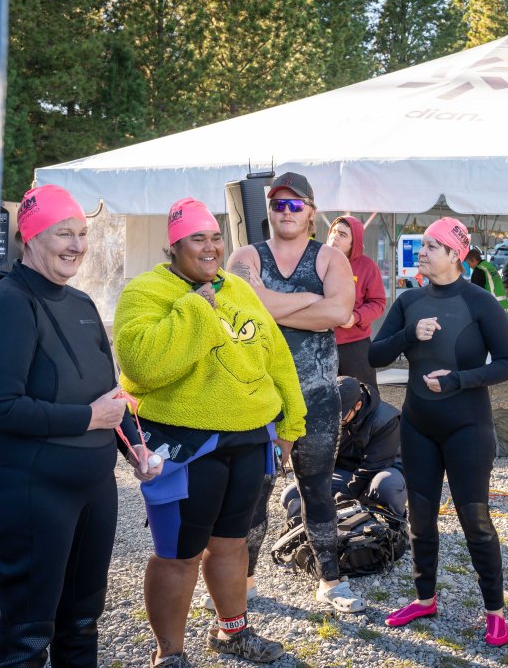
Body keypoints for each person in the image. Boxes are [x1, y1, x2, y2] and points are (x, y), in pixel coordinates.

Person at [114, 198, 307, 667]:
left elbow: (276, 355)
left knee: (232, 543)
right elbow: (143, 367)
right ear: (174, 246)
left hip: (246, 438)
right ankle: (170, 654)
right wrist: (197, 310)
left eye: (216, 237)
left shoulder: (238, 290)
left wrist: (290, 422)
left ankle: (231, 631)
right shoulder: (146, 292)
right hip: (185, 444)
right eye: (198, 239)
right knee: (177, 554)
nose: (210, 247)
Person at [0, 185, 162, 667]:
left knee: (83, 623)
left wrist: (138, 451)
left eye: (83, 234)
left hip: (93, 490)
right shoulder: (11, 301)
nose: (78, 245)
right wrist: (88, 418)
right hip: (33, 492)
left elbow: (112, 397)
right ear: (30, 236)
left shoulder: (83, 303)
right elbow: (1, 407)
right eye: (63, 233)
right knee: (28, 633)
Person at [369, 217, 508, 646]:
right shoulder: (410, 300)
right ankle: (424, 597)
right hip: (418, 424)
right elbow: (376, 354)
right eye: (423, 244)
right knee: (419, 518)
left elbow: (507, 363)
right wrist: (407, 334)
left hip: (467, 425)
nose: (423, 251)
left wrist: (457, 380)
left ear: (455, 254)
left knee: (476, 521)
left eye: (433, 245)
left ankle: (494, 611)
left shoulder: (480, 301)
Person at [226, 171, 364, 613]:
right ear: (268, 210)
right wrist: (310, 299)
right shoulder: (246, 256)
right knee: (253, 493)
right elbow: (242, 306)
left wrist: (271, 303)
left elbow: (342, 311)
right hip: (257, 397)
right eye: (278, 204)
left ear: (311, 211)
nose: (286, 211)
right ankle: (241, 585)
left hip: (316, 396)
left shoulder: (328, 257)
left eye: (295, 204)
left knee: (318, 489)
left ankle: (330, 581)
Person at [282, 376, 406, 518]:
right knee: (290, 496)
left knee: (387, 486)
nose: (334, 421)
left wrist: (343, 496)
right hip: (346, 471)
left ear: (358, 405)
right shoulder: (328, 414)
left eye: (339, 416)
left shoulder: (385, 420)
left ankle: (397, 526)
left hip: (381, 471)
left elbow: (372, 467)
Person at [327, 214, 386, 389]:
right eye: (334, 232)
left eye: (343, 235)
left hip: (355, 343)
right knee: (324, 395)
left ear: (355, 243)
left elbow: (378, 302)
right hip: (321, 341)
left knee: (363, 394)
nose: (335, 237)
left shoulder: (367, 266)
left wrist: (356, 317)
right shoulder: (317, 261)